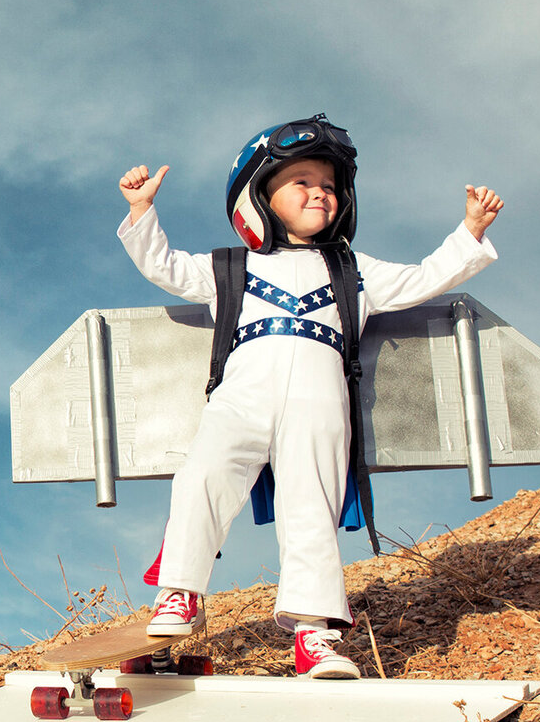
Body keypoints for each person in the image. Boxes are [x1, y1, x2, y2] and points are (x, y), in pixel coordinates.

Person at [116, 115, 504, 679]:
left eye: (327, 184)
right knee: (202, 476)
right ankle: (179, 592)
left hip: (320, 402)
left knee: (311, 506)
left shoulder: (352, 270)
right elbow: (164, 267)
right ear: (261, 200)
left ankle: (314, 637)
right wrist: (140, 212)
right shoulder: (231, 267)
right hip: (241, 395)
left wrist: (469, 230)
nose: (319, 191)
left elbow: (424, 278)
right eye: (301, 181)